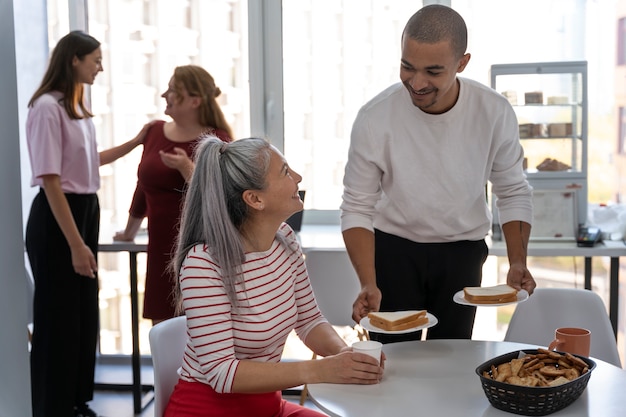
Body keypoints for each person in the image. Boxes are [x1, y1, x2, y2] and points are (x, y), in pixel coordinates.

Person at [340, 4, 537, 344]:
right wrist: (368, 283)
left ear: (462, 64)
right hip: (393, 250)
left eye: (433, 71)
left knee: (453, 359)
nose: (416, 83)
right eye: (407, 67)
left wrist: (517, 261)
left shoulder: (493, 111)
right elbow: (357, 205)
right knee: (393, 364)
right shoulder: (375, 117)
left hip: (463, 252)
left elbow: (513, 190)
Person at [165, 137, 384, 417]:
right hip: (208, 410)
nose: (298, 178)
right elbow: (221, 373)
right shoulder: (204, 264)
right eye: (285, 172)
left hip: (269, 407)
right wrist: (319, 370)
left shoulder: (285, 240)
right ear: (255, 199)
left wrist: (345, 356)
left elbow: (309, 321)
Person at [25, 31, 150, 417]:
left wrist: (136, 142)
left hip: (83, 211)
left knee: (81, 315)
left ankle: (76, 401)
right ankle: (52, 407)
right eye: (94, 59)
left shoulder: (72, 106)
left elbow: (88, 162)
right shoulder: (46, 107)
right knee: (57, 318)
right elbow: (50, 180)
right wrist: (77, 244)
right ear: (74, 59)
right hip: (59, 218)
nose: (99, 66)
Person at [113, 65, 233, 324]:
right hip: (160, 251)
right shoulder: (154, 131)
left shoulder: (218, 140)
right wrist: (129, 231)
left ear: (194, 101)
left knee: (201, 333)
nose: (164, 95)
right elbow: (143, 188)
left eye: (172, 90)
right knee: (163, 331)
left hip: (201, 251)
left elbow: (223, 199)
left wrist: (186, 169)